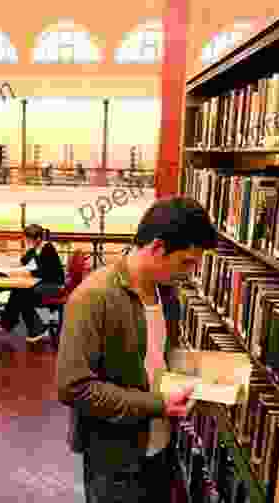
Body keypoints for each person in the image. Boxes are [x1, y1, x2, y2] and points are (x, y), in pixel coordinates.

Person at [56, 197, 217, 503]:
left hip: (162, 447)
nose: (190, 272)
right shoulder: (93, 298)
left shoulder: (167, 294)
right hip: (114, 458)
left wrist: (203, 378)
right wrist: (157, 405)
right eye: (186, 262)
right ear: (157, 248)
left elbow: (157, 356)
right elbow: (72, 387)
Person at [0, 224, 65, 345]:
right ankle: (13, 324)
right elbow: (23, 261)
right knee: (19, 291)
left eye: (28, 239)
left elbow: (41, 272)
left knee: (22, 292)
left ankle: (31, 327)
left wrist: (17, 272)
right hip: (43, 281)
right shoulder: (36, 248)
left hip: (54, 285)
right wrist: (4, 262)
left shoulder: (47, 249)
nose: (26, 241)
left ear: (38, 239)